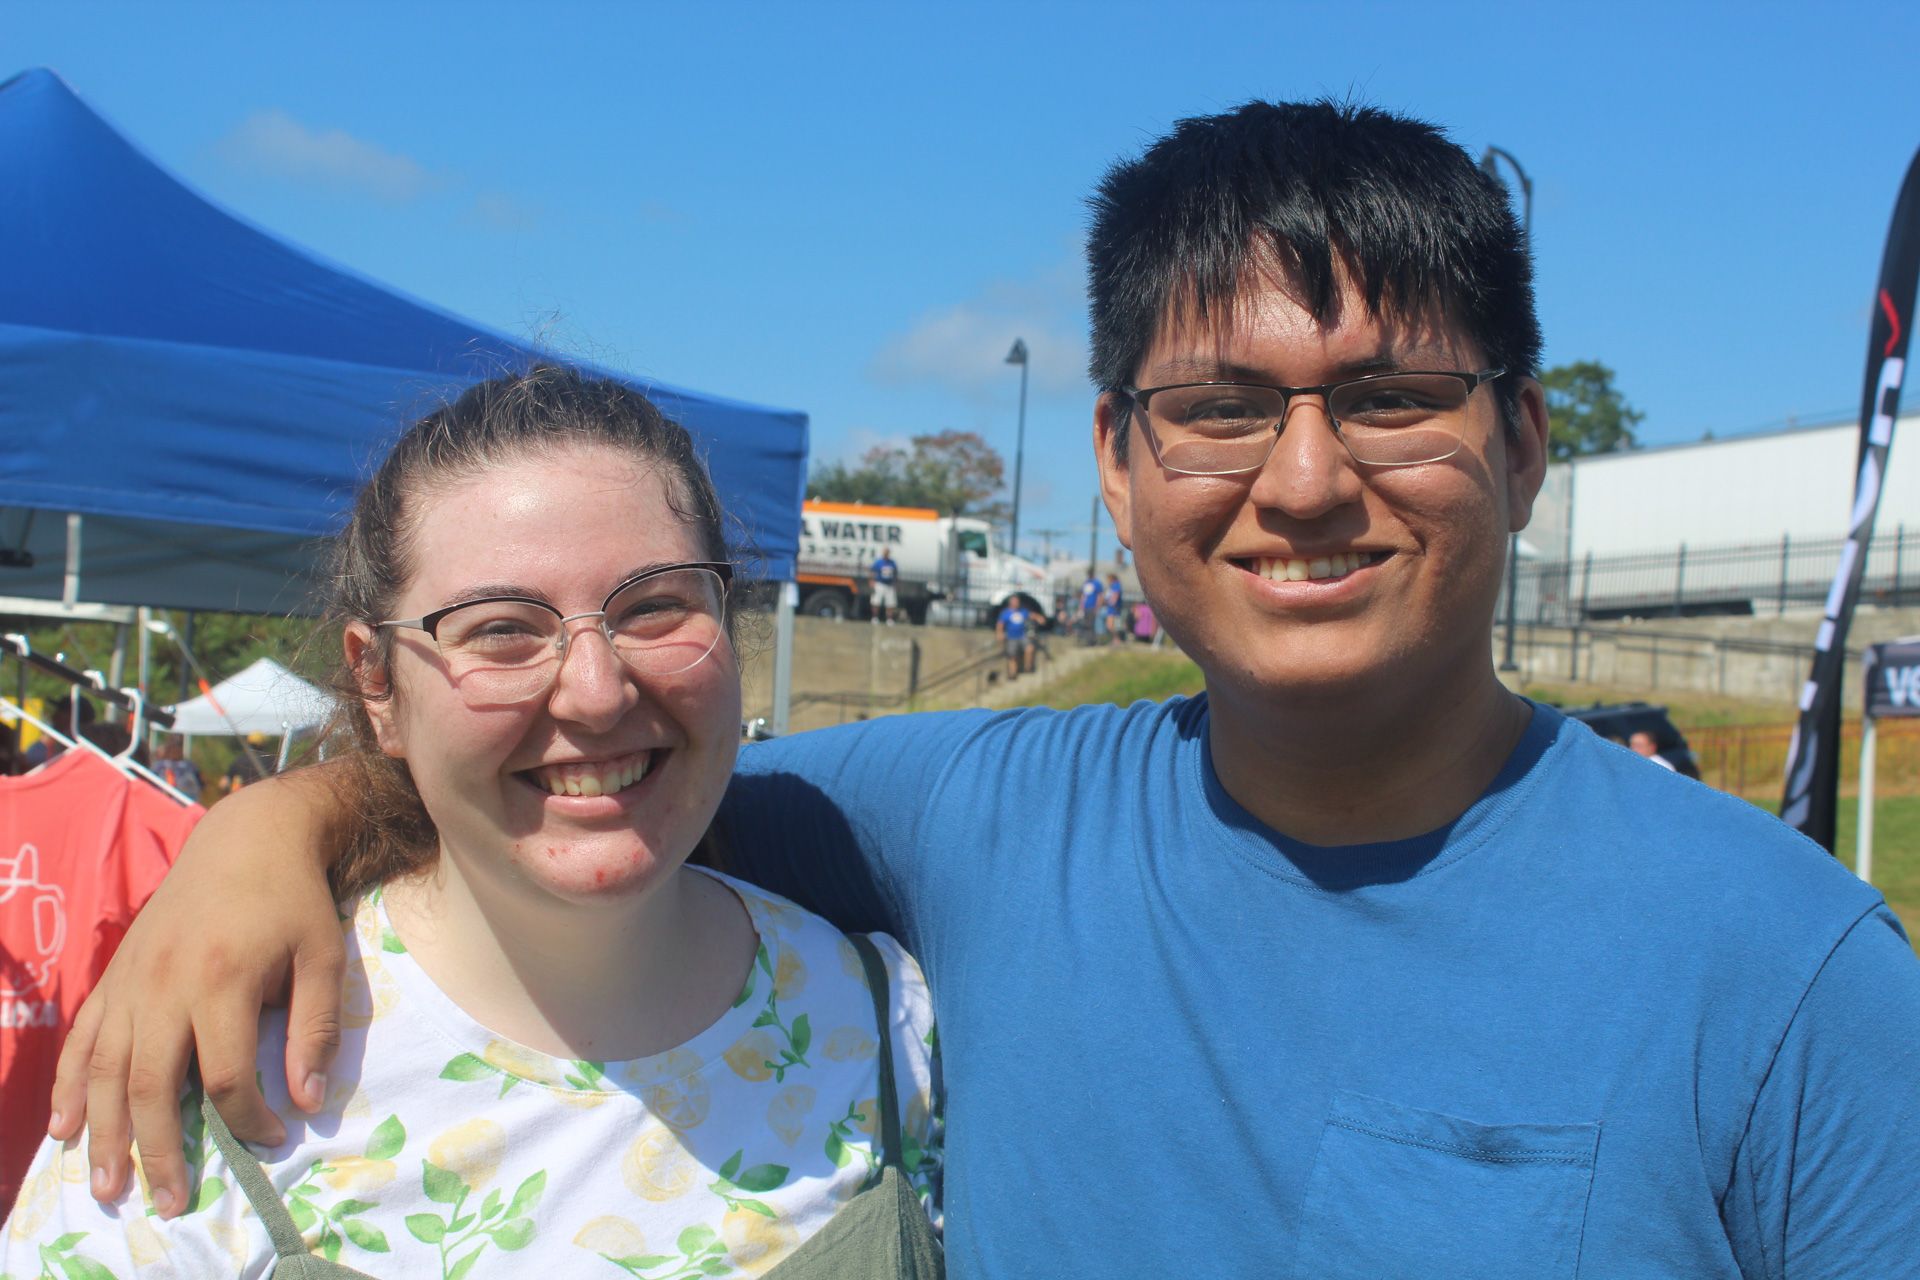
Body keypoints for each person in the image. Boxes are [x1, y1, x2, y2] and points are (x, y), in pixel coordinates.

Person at [50, 102, 1920, 1278]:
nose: (1306, 480)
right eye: (1219, 412)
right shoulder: (974, 828)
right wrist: (270, 827)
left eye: (1392, 399)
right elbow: (575, 794)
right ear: (1113, 466)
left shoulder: (1789, 970)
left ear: (1524, 444)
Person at [6, 368, 943, 1277]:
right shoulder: (209, 1068)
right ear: (377, 685)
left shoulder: (895, 1031)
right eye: (501, 629)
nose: (596, 689)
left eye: (656, 608)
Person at [993, 598, 1036, 681]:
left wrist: (1039, 618)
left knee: (1029, 648)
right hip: (1011, 637)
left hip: (1022, 635)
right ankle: (1012, 674)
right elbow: (1000, 624)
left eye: (1017, 602)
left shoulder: (1023, 611)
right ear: (1011, 603)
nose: (1016, 603)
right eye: (1015, 602)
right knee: (1012, 656)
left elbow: (1031, 615)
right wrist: (999, 634)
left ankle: (1028, 668)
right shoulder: (1006, 613)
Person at [150, 736, 203, 801]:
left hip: (185, 800)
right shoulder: (160, 765)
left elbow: (200, 783)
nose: (175, 751)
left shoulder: (189, 765)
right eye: (173, 748)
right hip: (166, 799)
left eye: (177, 747)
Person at [870, 546, 900, 625]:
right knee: (876, 602)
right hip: (880, 584)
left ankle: (889, 619)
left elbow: (895, 573)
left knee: (890, 603)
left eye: (887, 552)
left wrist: (896, 583)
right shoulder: (878, 562)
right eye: (885, 552)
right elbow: (873, 571)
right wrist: (872, 581)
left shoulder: (892, 562)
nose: (886, 554)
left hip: (889, 585)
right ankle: (875, 618)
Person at [1075, 568, 1100, 645]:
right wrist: (1080, 606)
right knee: (1085, 624)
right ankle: (1087, 640)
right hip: (1085, 607)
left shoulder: (1097, 583)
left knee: (1091, 624)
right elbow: (1083, 596)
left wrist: (1097, 607)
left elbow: (1100, 596)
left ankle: (1092, 641)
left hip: (1092, 607)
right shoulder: (1086, 583)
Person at [1099, 573, 1124, 644]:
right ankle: (1115, 639)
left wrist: (1110, 603)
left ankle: (1117, 639)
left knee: (1110, 626)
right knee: (1112, 626)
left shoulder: (1116, 585)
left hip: (1114, 609)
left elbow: (1115, 597)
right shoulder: (1112, 586)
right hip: (1111, 608)